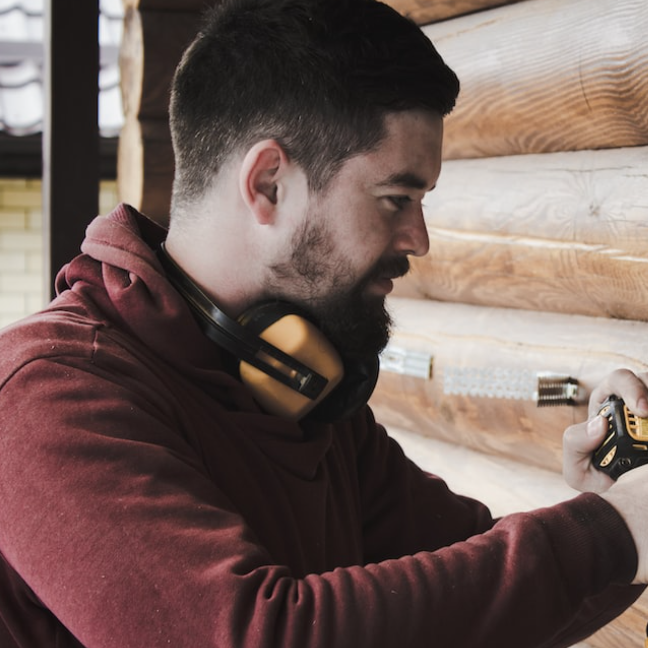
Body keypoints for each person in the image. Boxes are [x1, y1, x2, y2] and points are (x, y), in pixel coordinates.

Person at [0, 0, 647, 646]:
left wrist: (611, 509)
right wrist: (610, 533)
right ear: (270, 183)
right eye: (397, 198)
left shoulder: (300, 387)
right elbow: (258, 635)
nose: (418, 240)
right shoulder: (47, 391)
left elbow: (479, 598)